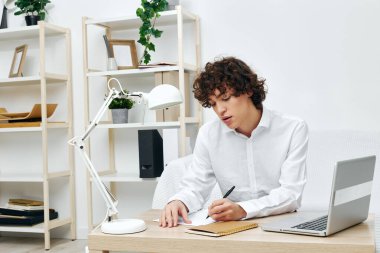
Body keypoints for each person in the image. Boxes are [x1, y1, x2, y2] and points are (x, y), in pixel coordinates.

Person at [159, 57, 308, 227]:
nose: (220, 110)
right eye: (213, 103)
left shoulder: (292, 128)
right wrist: (179, 201)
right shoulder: (209, 134)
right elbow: (196, 185)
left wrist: (243, 209)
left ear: (248, 90)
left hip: (282, 224)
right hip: (234, 228)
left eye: (226, 98)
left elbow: (291, 194)